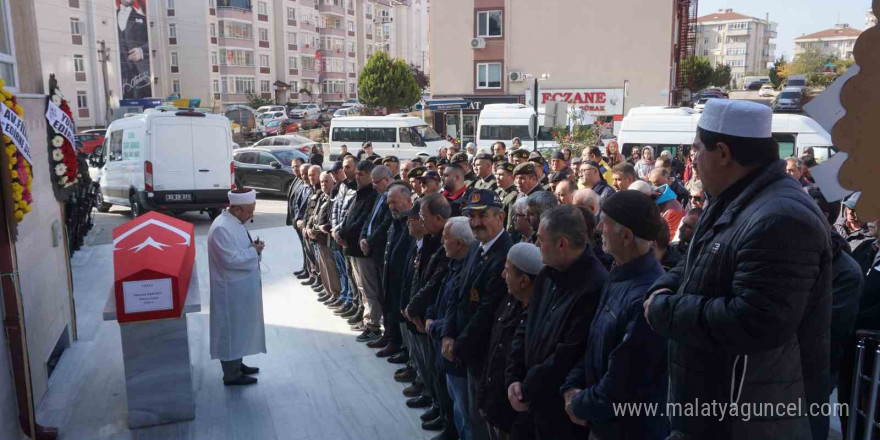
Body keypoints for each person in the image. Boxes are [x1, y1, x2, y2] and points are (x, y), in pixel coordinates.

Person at [644, 99, 833, 439]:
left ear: (723, 153)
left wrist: (666, 309)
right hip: (712, 411)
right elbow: (695, 263)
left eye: (696, 150)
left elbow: (756, 320)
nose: (693, 162)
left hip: (750, 418)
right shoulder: (733, 199)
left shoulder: (780, 218)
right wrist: (663, 287)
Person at [563, 190, 668, 439]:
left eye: (605, 222)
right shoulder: (619, 273)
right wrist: (572, 385)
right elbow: (595, 343)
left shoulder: (646, 297)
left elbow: (624, 383)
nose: (599, 228)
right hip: (603, 420)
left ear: (626, 236)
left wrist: (578, 404)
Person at [507, 205, 608, 440]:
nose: (537, 245)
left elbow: (569, 352)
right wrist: (513, 376)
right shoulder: (548, 273)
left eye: (541, 240)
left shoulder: (594, 286)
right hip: (530, 399)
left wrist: (526, 388)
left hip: (557, 412)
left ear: (562, 243)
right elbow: (527, 325)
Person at [441, 189, 514, 440]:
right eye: (471, 216)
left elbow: (488, 313)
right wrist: (448, 333)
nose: (475, 222)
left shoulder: (507, 254)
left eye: (482, 215)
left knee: (481, 422)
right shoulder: (476, 248)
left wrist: (458, 346)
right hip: (465, 350)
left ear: (500, 217)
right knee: (469, 416)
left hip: (484, 356)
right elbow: (458, 293)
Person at [478, 243, 543, 439]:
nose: (502, 276)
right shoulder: (509, 302)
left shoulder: (536, 318)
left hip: (512, 416)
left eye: (507, 271)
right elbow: (493, 351)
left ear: (524, 280)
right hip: (494, 405)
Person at [208, 189, 266, 386]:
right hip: (229, 291)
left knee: (240, 329)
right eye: (249, 211)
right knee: (231, 331)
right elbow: (230, 261)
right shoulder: (221, 228)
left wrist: (253, 248)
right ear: (237, 209)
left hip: (240, 289)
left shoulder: (235, 223)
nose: (252, 215)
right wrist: (254, 251)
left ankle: (237, 363)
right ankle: (231, 374)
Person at [427, 216, 474, 440]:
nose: (442, 242)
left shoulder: (469, 269)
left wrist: (436, 327)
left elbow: (462, 315)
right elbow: (442, 299)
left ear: (459, 242)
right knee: (456, 403)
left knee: (466, 412)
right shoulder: (455, 264)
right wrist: (429, 316)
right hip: (444, 343)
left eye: (446, 238)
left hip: (456, 351)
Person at [372, 184, 416, 357]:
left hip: (404, 280)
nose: (391, 207)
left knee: (402, 315)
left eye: (395, 202)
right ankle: (393, 340)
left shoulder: (411, 223)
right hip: (390, 275)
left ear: (408, 201)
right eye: (389, 203)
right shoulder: (395, 222)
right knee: (390, 309)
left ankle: (404, 348)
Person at [354, 165, 394, 342]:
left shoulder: (392, 196)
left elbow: (385, 224)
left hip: (380, 252)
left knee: (380, 294)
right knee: (371, 290)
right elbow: (369, 220)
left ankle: (380, 329)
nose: (374, 186)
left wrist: (369, 242)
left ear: (386, 179)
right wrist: (363, 237)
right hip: (370, 248)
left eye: (376, 183)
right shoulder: (379, 195)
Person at [339, 160, 379, 329]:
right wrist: (340, 231)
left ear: (370, 176)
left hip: (362, 250)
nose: (357, 177)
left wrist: (345, 235)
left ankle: (373, 324)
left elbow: (362, 221)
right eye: (356, 174)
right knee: (361, 287)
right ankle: (366, 318)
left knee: (370, 290)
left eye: (361, 175)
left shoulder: (372, 195)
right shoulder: (359, 193)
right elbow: (349, 216)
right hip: (352, 248)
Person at [329, 161, 358, 316]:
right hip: (338, 234)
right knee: (345, 271)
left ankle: (355, 304)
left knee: (353, 276)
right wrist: (334, 228)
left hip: (347, 237)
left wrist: (339, 230)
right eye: (344, 167)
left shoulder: (357, 188)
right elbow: (336, 209)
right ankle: (349, 300)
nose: (345, 171)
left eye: (348, 167)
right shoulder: (343, 186)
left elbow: (349, 215)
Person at [117, 0, 152, 99]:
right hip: (120, 74)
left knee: (141, 101)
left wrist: (142, 51)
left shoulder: (142, 19)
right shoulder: (109, 17)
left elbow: (156, 42)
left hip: (139, 75)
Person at [494, 162, 518, 230]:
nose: (497, 177)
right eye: (496, 174)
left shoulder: (514, 195)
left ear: (511, 177)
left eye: (501, 175)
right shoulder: (497, 192)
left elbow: (510, 225)